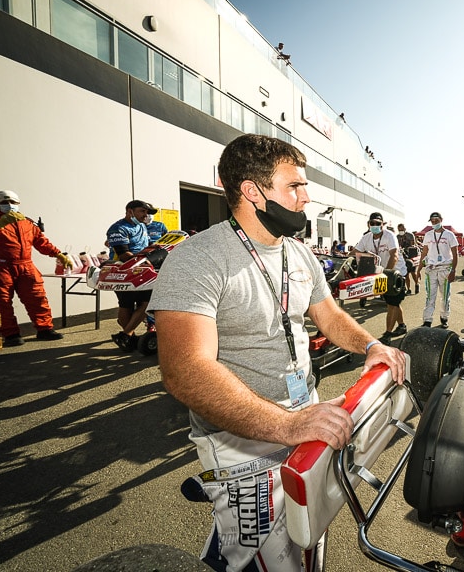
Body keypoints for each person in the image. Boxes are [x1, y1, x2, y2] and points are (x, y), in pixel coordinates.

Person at [150, 134, 406, 572]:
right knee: (262, 557)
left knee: (306, 537)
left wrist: (371, 344)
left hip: (302, 416)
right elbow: (184, 371)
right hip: (241, 438)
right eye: (295, 187)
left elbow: (328, 315)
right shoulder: (198, 259)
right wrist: (287, 424)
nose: (306, 197)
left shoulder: (298, 253)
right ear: (253, 191)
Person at [0, 190, 70, 346]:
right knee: (1, 302)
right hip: (1, 266)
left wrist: (58, 254)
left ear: (18, 204)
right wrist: (0, 224)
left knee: (37, 298)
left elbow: (41, 242)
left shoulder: (27, 222)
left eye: (13, 203)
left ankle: (44, 330)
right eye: (4, 203)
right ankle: (10, 335)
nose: (9, 206)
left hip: (26, 265)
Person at [106, 199, 156, 351]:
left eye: (146, 212)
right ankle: (127, 335)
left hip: (140, 270)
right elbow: (123, 254)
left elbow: (146, 247)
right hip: (124, 270)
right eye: (142, 211)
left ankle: (128, 338)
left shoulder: (142, 226)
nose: (145, 215)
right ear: (130, 211)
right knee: (135, 304)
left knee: (138, 303)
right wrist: (142, 262)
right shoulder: (117, 228)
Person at [353, 213, 408, 342]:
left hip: (395, 272)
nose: (375, 226)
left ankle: (388, 333)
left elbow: (394, 255)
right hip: (381, 273)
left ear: (383, 224)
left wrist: (387, 273)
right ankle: (401, 326)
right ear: (369, 224)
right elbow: (355, 251)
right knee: (392, 301)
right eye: (373, 223)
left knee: (392, 303)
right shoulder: (366, 238)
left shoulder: (390, 236)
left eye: (378, 223)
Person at [419, 212, 459, 328]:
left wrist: (453, 271)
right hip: (431, 269)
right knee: (430, 296)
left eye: (436, 220)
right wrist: (418, 269)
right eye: (432, 221)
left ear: (441, 220)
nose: (434, 222)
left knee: (445, 296)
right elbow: (424, 252)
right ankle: (427, 320)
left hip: (445, 269)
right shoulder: (428, 235)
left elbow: (455, 254)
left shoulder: (449, 235)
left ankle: (444, 317)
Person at [397, 223, 419, 295]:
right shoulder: (397, 237)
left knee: (413, 273)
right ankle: (408, 289)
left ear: (405, 229)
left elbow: (413, 245)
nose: (401, 231)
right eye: (399, 230)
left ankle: (416, 284)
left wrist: (408, 248)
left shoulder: (410, 235)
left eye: (402, 229)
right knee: (405, 274)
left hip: (411, 256)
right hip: (402, 257)